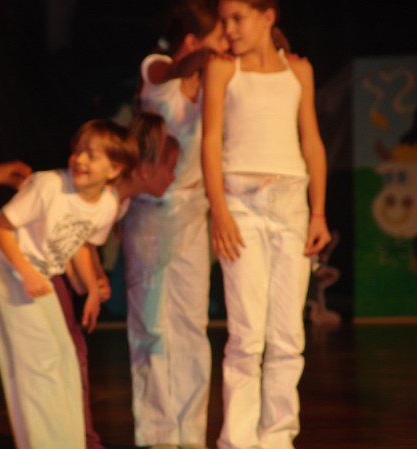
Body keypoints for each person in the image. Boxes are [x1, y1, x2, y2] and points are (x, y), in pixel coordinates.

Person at [201, 1, 332, 448]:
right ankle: (238, 441)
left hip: (292, 204)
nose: (228, 29)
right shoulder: (223, 69)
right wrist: (219, 211)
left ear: (268, 16)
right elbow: (210, 142)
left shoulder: (299, 70)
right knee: (246, 334)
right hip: (241, 205)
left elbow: (311, 141)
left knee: (287, 334)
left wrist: (318, 212)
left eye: (237, 18)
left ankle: (277, 437)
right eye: (224, 20)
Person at [0, 118, 137, 449]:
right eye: (77, 151)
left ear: (114, 169)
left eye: (91, 155)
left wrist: (90, 288)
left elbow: (79, 242)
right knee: (39, 359)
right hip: (4, 266)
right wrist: (27, 273)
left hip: (39, 272)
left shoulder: (107, 205)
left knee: (64, 356)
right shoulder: (48, 185)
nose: (79, 160)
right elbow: (2, 228)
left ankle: (69, 441)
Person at [124, 1, 229, 447]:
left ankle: (190, 433)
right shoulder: (157, 68)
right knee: (151, 325)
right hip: (151, 213)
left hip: (192, 212)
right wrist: (204, 56)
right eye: (219, 38)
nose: (227, 45)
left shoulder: (214, 84)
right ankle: (156, 433)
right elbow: (174, 69)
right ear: (192, 42)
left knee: (191, 326)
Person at [57, 112, 180, 449]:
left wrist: (96, 277)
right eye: (169, 168)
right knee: (69, 353)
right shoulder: (109, 196)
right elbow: (77, 236)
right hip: (50, 265)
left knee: (75, 352)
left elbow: (88, 240)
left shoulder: (119, 201)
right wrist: (90, 282)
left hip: (67, 266)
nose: (173, 177)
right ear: (145, 169)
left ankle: (81, 436)